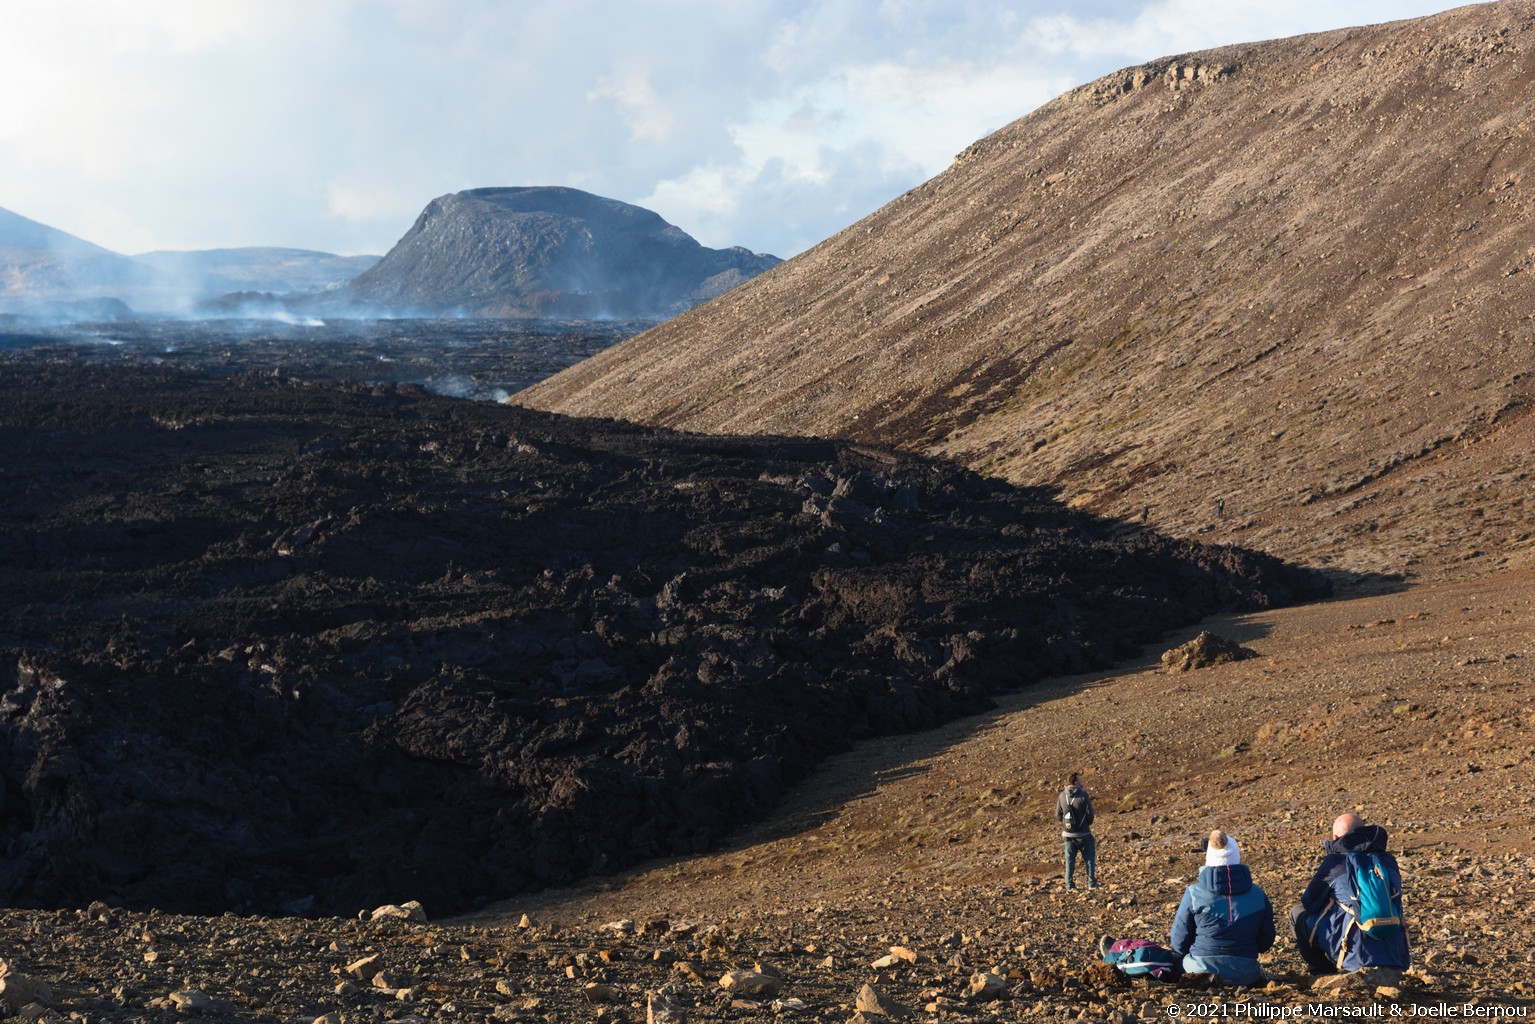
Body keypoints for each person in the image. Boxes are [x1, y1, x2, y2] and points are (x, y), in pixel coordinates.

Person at [1289, 813, 1411, 975]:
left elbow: (1309, 902)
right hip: (1395, 954)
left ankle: (1322, 970)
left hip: (1353, 953)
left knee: (1296, 913)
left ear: (1335, 837)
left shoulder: (1335, 861)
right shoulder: (1388, 860)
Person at [1168, 830, 1275, 985]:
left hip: (1200, 969)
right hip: (1246, 973)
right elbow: (1266, 941)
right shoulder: (1258, 894)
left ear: (1209, 858)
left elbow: (1178, 942)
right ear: (1236, 857)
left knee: (1175, 960)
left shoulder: (1193, 893)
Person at [1056, 773, 1098, 890]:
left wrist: (1067, 825)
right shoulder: (1083, 795)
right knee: (1089, 858)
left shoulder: (1061, 795)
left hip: (1067, 834)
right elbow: (1090, 816)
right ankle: (1091, 883)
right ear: (1075, 782)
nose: (1082, 781)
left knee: (1069, 860)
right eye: (1080, 780)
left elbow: (1058, 815)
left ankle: (1069, 885)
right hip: (1083, 833)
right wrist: (1084, 824)